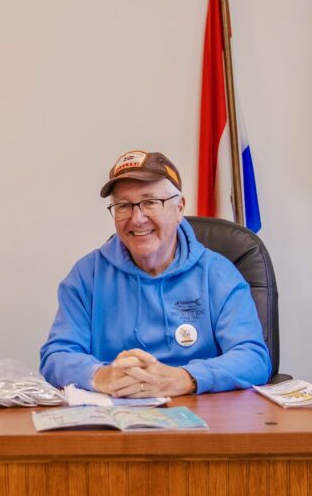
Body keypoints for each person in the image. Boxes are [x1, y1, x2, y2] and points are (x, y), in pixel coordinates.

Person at [40, 149, 271, 397]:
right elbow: (56, 357)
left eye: (150, 202)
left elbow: (253, 358)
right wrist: (100, 375)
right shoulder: (87, 275)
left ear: (179, 207)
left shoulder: (218, 274)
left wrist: (185, 378)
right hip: (112, 422)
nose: (137, 219)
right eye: (124, 206)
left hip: (202, 421)